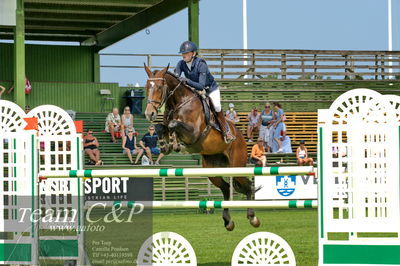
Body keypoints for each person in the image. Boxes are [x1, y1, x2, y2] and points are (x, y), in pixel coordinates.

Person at [175, 41, 235, 143]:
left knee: (217, 106)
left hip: (210, 89)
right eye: (182, 53)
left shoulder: (201, 64)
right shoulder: (180, 64)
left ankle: (226, 130)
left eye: (186, 53)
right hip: (194, 90)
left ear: (193, 53)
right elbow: (176, 77)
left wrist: (186, 80)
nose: (183, 55)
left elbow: (201, 86)